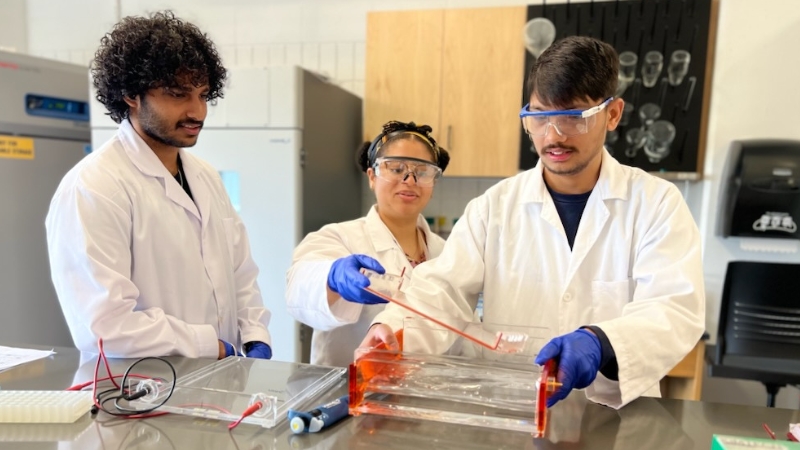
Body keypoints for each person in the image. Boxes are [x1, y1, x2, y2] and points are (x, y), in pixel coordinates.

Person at [360, 36, 705, 409]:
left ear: (613, 114)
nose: (552, 135)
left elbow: (674, 308)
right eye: (539, 116)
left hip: (614, 416)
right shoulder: (493, 207)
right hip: (513, 411)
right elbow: (442, 291)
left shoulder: (655, 203)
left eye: (573, 117)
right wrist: (392, 330)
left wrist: (601, 342)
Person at [45, 11, 272, 359]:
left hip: (222, 381)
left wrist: (254, 335)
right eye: (178, 94)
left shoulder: (205, 177)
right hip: (141, 394)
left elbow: (240, 274)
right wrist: (210, 346)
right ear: (132, 95)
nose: (198, 112)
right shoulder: (94, 187)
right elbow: (104, 327)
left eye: (203, 94)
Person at [286, 120, 451, 367]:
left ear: (433, 181)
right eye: (395, 169)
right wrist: (332, 278)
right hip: (345, 394)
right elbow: (297, 291)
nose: (409, 179)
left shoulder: (445, 253)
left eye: (422, 171)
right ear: (372, 176)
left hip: (419, 391)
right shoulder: (338, 237)